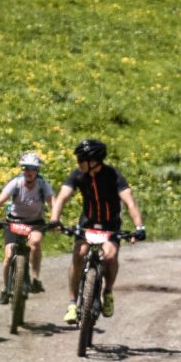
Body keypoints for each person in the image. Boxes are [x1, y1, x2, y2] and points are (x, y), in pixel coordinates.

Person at [49, 137, 145, 324]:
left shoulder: (113, 175)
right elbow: (62, 197)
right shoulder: (78, 175)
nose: (78, 164)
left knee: (110, 256)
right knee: (80, 253)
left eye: (81, 160)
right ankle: (72, 304)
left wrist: (139, 227)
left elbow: (129, 202)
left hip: (110, 224)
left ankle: (107, 292)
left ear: (94, 162)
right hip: (88, 223)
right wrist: (54, 220)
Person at [0, 151, 55, 301]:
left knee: (35, 242)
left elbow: (52, 203)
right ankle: (5, 289)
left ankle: (35, 279)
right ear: (22, 169)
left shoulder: (43, 185)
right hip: (14, 221)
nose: (28, 172)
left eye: (32, 168)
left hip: (35, 223)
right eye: (25, 168)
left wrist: (55, 220)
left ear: (37, 170)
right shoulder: (16, 183)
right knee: (9, 254)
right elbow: (0, 200)